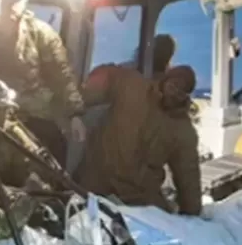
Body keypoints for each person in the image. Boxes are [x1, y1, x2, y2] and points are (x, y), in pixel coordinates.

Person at [0, 0, 86, 170]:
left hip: (36, 117)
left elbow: (62, 76)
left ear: (25, 0)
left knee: (48, 170)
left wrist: (75, 115)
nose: (11, 3)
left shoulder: (42, 34)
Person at [78, 64, 203, 215]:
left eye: (181, 92)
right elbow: (108, 76)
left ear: (186, 96)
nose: (174, 93)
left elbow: (189, 175)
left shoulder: (184, 132)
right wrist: (77, 102)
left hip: (138, 194)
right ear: (165, 81)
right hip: (97, 177)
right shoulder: (132, 86)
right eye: (173, 85)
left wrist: (192, 213)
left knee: (161, 227)